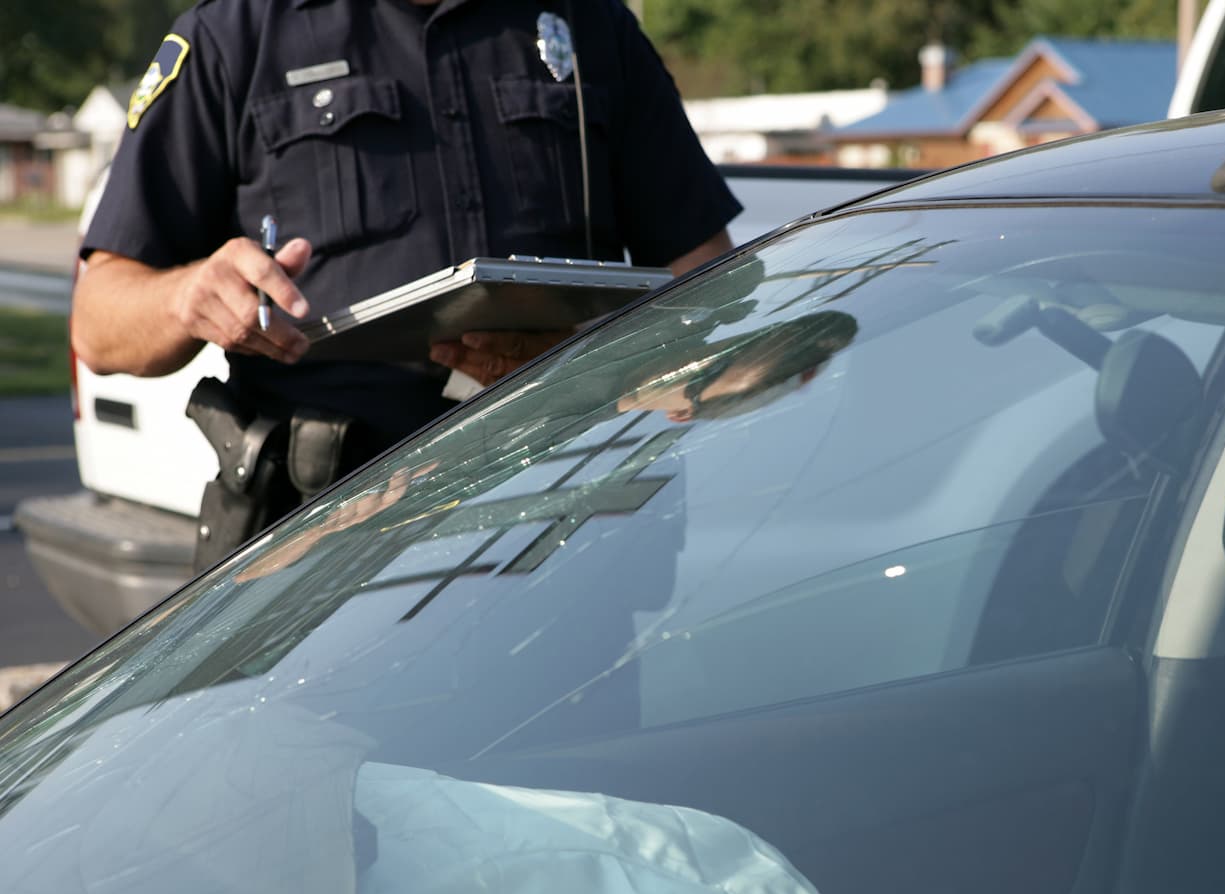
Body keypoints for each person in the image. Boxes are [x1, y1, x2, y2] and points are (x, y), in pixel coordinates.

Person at [70, 0, 740, 563]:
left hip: (566, 531)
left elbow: (713, 281)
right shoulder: (237, 33)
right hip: (321, 551)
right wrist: (190, 296)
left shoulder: (587, 23)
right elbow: (99, 324)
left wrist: (586, 360)